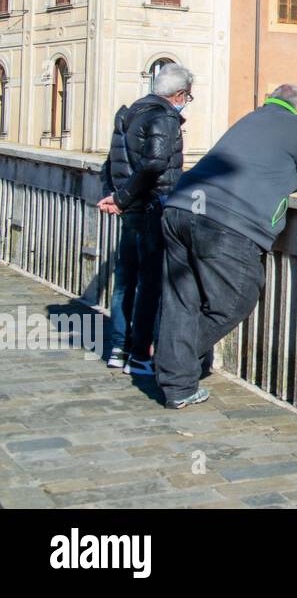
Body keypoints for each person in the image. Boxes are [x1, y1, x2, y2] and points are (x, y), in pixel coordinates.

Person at [154, 84, 297, 409]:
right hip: (224, 220)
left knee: (182, 299)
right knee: (238, 297)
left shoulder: (250, 119)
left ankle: (177, 386)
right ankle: (172, 361)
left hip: (178, 208)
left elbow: (267, 166)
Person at [98, 63, 192, 376]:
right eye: (186, 97)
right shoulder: (164, 116)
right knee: (150, 282)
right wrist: (123, 199)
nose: (185, 103)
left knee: (126, 278)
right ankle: (140, 355)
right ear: (178, 93)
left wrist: (116, 197)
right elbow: (154, 163)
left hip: (132, 208)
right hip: (153, 206)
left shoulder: (129, 112)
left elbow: (110, 164)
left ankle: (117, 348)